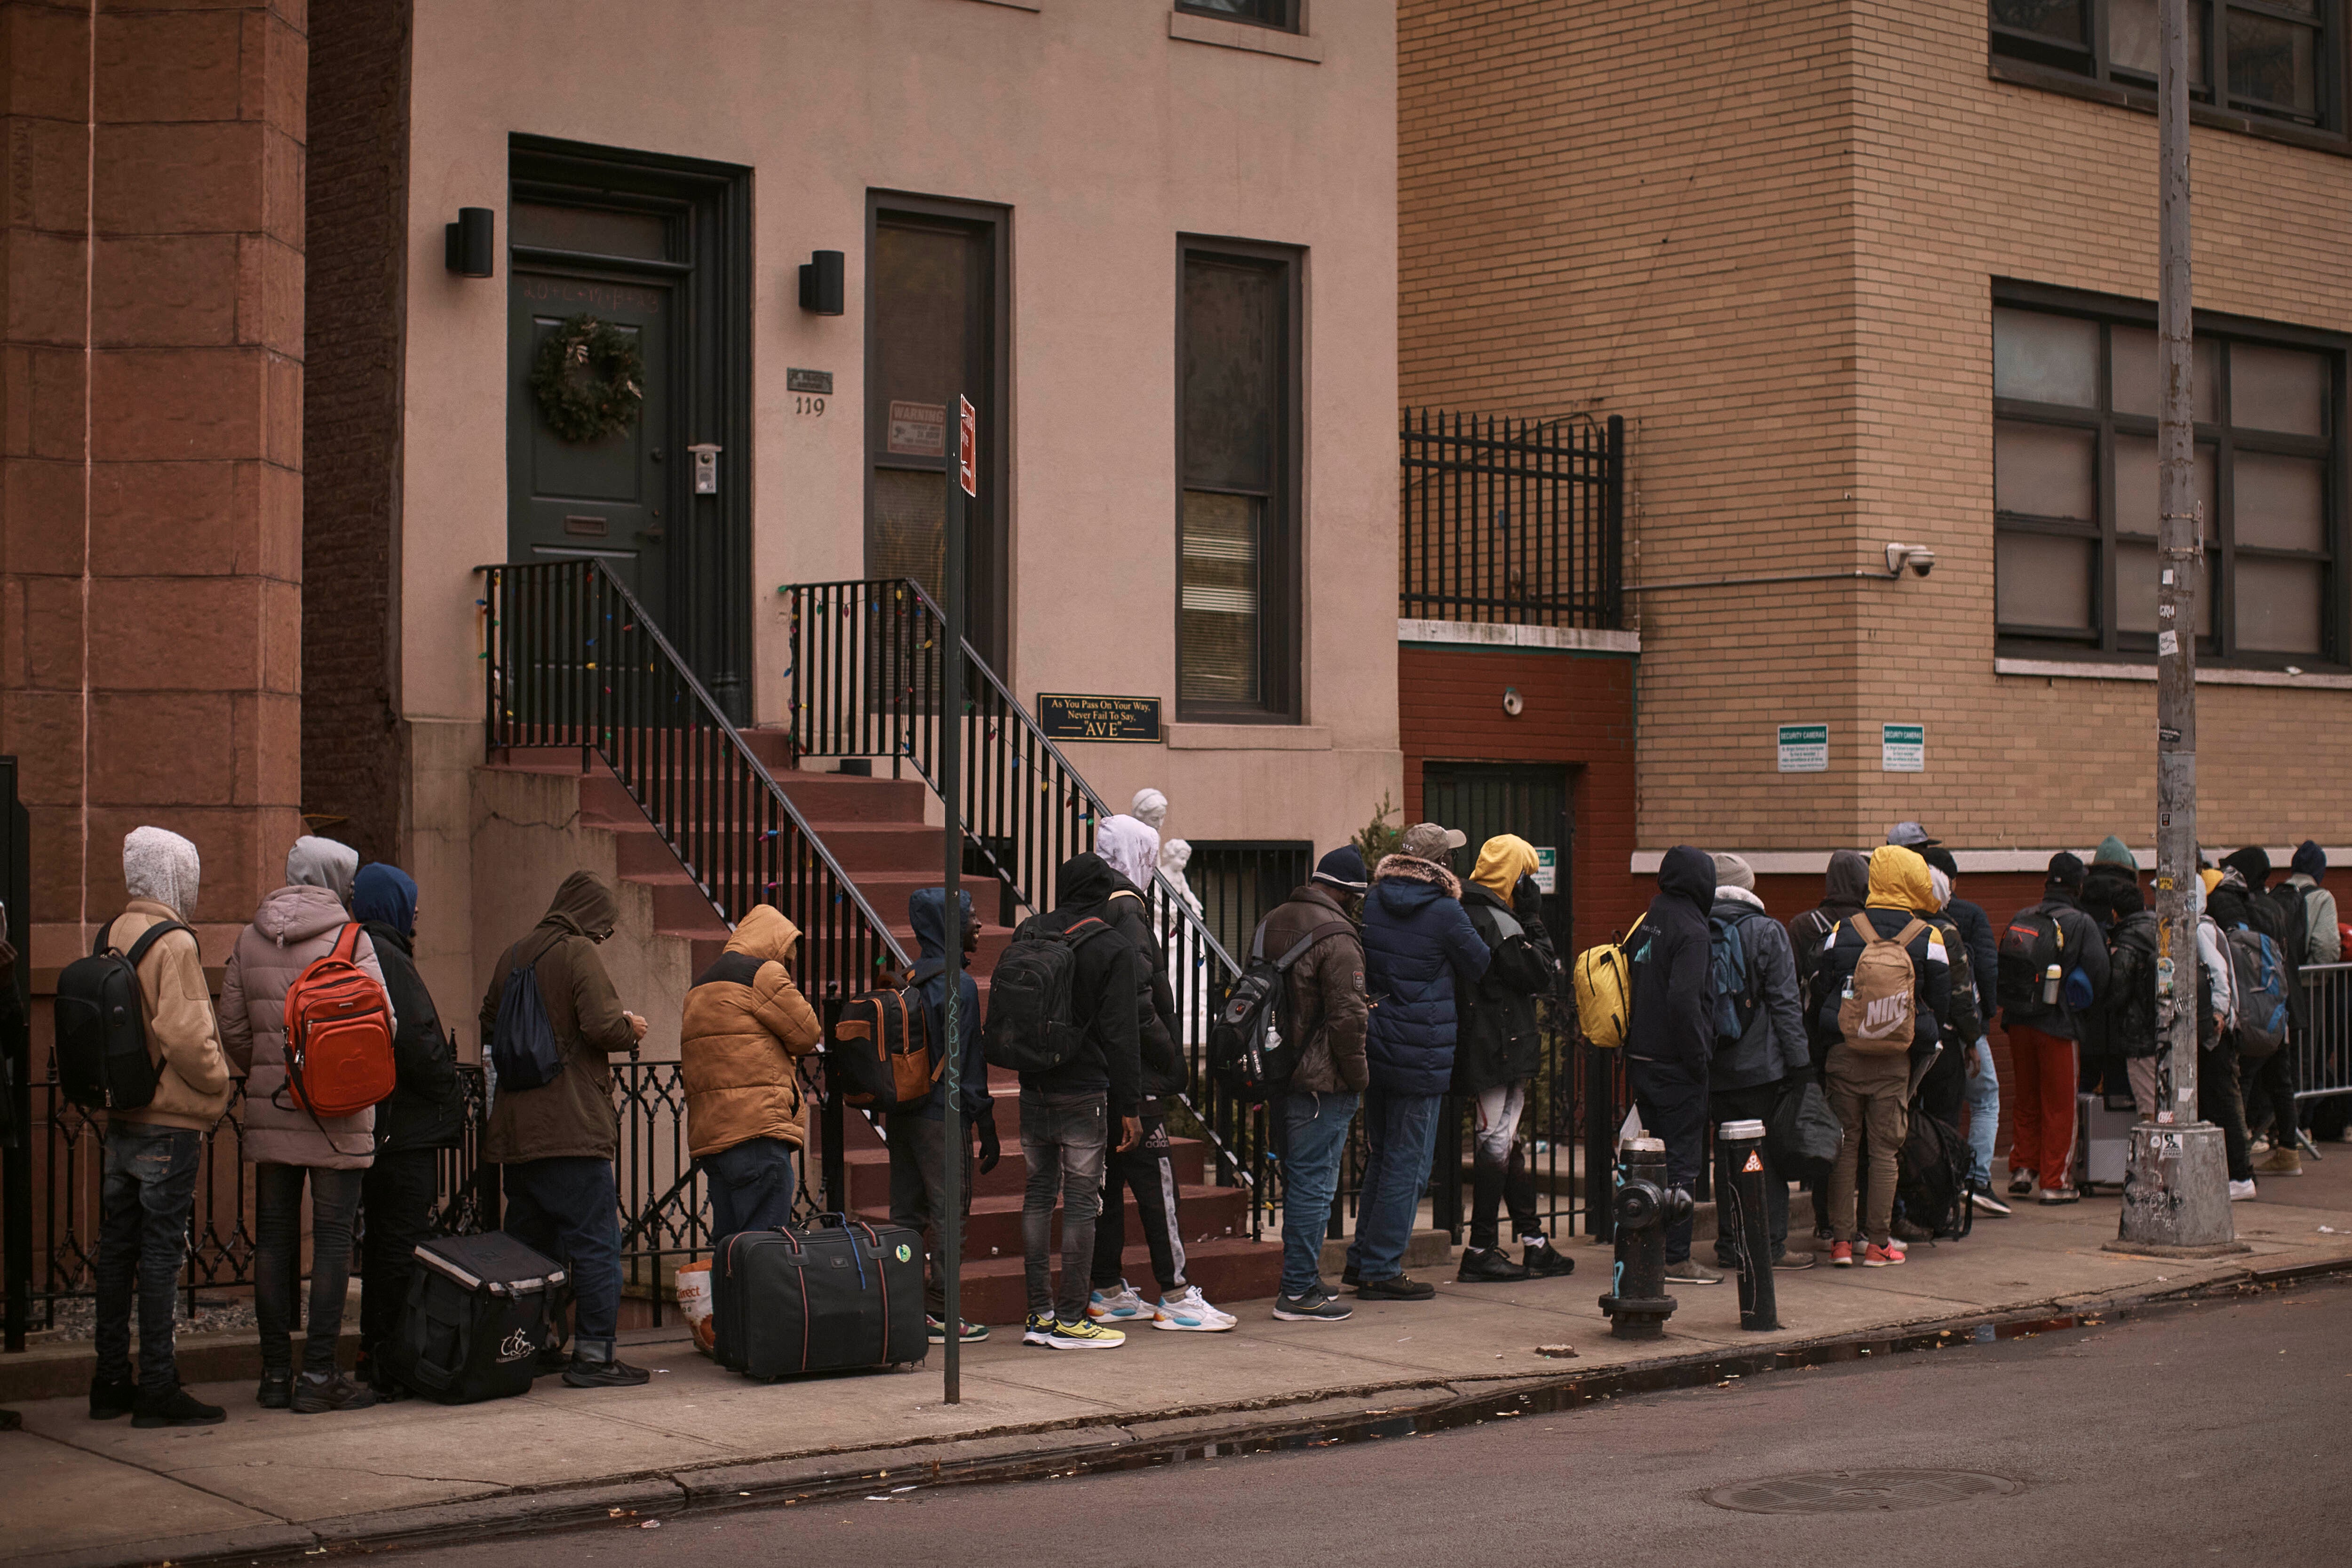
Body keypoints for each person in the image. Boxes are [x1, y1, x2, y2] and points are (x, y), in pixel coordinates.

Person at [222, 835, 391, 1414]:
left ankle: (273, 1374)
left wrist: (274, 1072)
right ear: (336, 879)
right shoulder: (352, 939)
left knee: (273, 1239)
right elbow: (383, 1025)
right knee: (332, 1240)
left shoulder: (249, 938)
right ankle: (319, 1375)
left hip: (272, 1105)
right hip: (338, 1113)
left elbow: (234, 1030)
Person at [480, 872, 650, 1388]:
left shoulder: (511, 956)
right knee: (596, 1245)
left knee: (530, 1252)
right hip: (572, 1129)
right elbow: (601, 1026)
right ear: (590, 917)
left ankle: (530, 1345)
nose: (604, 937)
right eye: (606, 927)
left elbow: (489, 1021)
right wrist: (630, 1027)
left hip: (517, 1135)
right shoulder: (577, 952)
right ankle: (595, 1357)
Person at [90, 828, 231, 1428]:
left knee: (118, 1252)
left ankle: (109, 1380)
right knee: (158, 1256)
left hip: (122, 1116)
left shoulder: (113, 932)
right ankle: (157, 1387)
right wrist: (220, 1082)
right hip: (168, 1124)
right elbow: (187, 1037)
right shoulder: (173, 943)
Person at [1087, 816, 1233, 1331]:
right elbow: (1136, 995)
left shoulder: (1091, 904)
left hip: (1100, 1072)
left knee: (1107, 1185)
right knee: (1157, 1186)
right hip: (1139, 1074)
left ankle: (1105, 1287)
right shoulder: (1128, 908)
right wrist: (1168, 1052)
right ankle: (1175, 1291)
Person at [1345, 822, 1489, 1300]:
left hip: (1378, 1041)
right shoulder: (1446, 911)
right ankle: (1382, 1268)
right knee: (1409, 1162)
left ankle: (1361, 1260)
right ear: (1441, 864)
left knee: (1382, 1156)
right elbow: (1480, 964)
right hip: (1422, 1049)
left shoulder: (1373, 902)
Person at [1016, 853, 1143, 1349]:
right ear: (1101, 892)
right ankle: (1072, 1317)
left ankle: (1039, 1314)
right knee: (1081, 1204)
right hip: (1084, 1090)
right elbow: (1121, 1034)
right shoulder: (1111, 946)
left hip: (1033, 1085)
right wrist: (1129, 1105)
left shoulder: (1029, 933)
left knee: (1037, 1196)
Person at [349, 863, 464, 1401]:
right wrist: (448, 1091)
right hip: (405, 1128)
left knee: (380, 1245)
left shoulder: (359, 949)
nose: (416, 913)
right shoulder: (388, 957)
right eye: (409, 902)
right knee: (398, 1243)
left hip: (377, 1124)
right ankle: (392, 1359)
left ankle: (376, 1351)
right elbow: (419, 1038)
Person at [1814, 845, 1950, 1266]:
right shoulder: (1928, 937)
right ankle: (1878, 1244)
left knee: (1845, 1147)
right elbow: (1940, 1008)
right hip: (1894, 1059)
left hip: (1844, 1054)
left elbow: (1823, 992)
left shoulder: (1842, 929)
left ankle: (1840, 1242)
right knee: (1885, 1152)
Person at [1453, 834, 1573, 1283]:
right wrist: (1533, 917)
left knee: (1506, 1142)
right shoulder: (1497, 921)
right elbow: (1541, 971)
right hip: (1498, 1044)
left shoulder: (1470, 910)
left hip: (1491, 1041)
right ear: (1515, 876)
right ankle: (1481, 1247)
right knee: (1496, 1145)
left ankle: (1534, 1241)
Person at [1263, 847, 1371, 1322]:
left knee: (1299, 1179)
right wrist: (1359, 1077)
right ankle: (1297, 1291)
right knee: (1313, 1186)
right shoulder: (1338, 936)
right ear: (1344, 893)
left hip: (1278, 1072)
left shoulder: (1272, 921)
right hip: (1321, 1080)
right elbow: (1349, 1018)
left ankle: (1304, 1278)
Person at [681, 903, 822, 1242]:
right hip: (757, 1133)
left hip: (713, 1139)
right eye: (787, 957)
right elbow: (807, 1033)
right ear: (774, 944)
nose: (787, 966)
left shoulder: (699, 987)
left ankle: (727, 1298)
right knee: (764, 1252)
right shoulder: (762, 975)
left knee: (729, 1248)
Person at [894, 887, 996, 1344]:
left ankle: (902, 1306)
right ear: (948, 926)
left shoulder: (910, 979)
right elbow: (967, 1064)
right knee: (948, 1213)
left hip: (904, 1113)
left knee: (907, 1216)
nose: (978, 924)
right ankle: (940, 1310)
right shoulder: (960, 987)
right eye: (970, 917)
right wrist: (986, 1122)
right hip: (942, 1115)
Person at [1704, 852, 1812, 1272]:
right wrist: (1801, 1065)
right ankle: (1769, 1243)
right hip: (1762, 1068)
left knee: (1725, 1155)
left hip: (1715, 1068)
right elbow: (1787, 1006)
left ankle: (1730, 1242)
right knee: (1765, 1157)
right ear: (1746, 888)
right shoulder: (1768, 931)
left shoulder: (1698, 928)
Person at [1623, 845, 1718, 1284]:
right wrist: (1698, 1058)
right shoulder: (1693, 930)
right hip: (1676, 1063)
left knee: (1650, 1158)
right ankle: (1675, 1256)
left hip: (1641, 1056)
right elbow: (1685, 1000)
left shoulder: (1649, 919)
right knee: (1682, 1161)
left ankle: (1644, 1243)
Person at [2000, 852, 2109, 1205]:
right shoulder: (2081, 923)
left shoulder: (2023, 915)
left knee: (2027, 1099)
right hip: (2059, 1025)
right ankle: (2055, 1180)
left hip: (2019, 1021)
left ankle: (2022, 1168)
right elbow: (2100, 973)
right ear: (2079, 885)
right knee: (2060, 1104)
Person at [1920, 847, 2008, 1217]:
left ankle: (1924, 1186)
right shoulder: (1966, 917)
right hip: (1959, 1030)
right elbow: (1983, 970)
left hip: (1918, 1031)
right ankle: (1976, 1178)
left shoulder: (1902, 918)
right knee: (1985, 1096)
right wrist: (1981, 1024)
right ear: (1952, 881)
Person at [1791, 848, 1869, 1241]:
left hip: (1814, 1043)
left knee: (1826, 1134)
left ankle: (1826, 1221)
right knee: (1863, 1137)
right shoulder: (1870, 926)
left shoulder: (1803, 925)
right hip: (1863, 1041)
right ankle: (1862, 1224)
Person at [2220, 845, 2306, 1176]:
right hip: (2281, 1007)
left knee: (2242, 1081)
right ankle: (2289, 1149)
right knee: (2281, 1081)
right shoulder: (2277, 907)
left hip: (2258, 1007)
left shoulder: (2249, 908)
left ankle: (2238, 1157)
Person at [2195, 868, 2257, 1200]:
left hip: (2218, 1032)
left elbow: (2219, 973)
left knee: (2223, 1102)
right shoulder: (2209, 927)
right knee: (2219, 1101)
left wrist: (2218, 1014)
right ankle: (2235, 1172)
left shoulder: (2200, 930)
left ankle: (2241, 1175)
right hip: (2218, 1029)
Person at [2283, 841, 2345, 1145]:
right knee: (2305, 1055)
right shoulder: (2323, 898)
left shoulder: (2277, 894)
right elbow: (2327, 947)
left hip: (2278, 988)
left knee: (2280, 1056)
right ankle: (2297, 1127)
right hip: (2310, 988)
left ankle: (2274, 1125)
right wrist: (2319, 974)